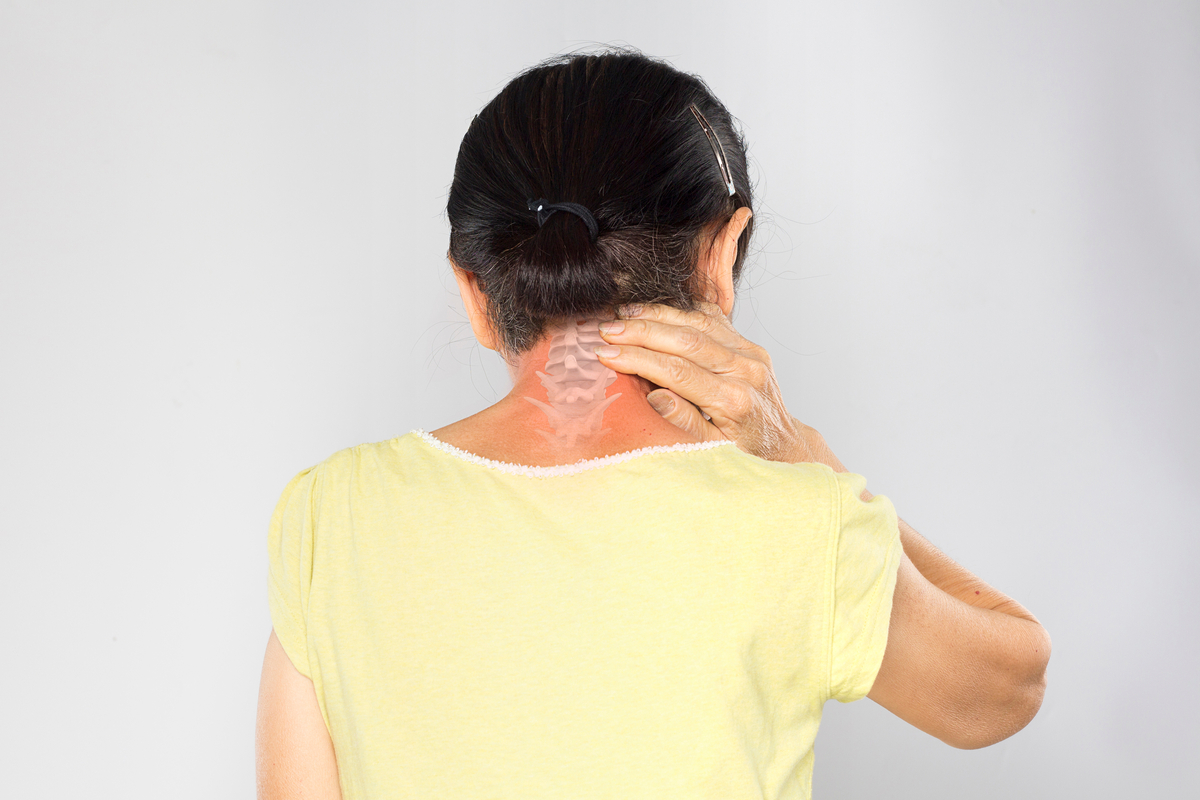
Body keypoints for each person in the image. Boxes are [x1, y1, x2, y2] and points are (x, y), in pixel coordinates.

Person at [255, 48, 1051, 800]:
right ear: (719, 256)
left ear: (475, 291)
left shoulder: (331, 514)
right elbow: (1008, 688)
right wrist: (803, 457)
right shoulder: (799, 522)